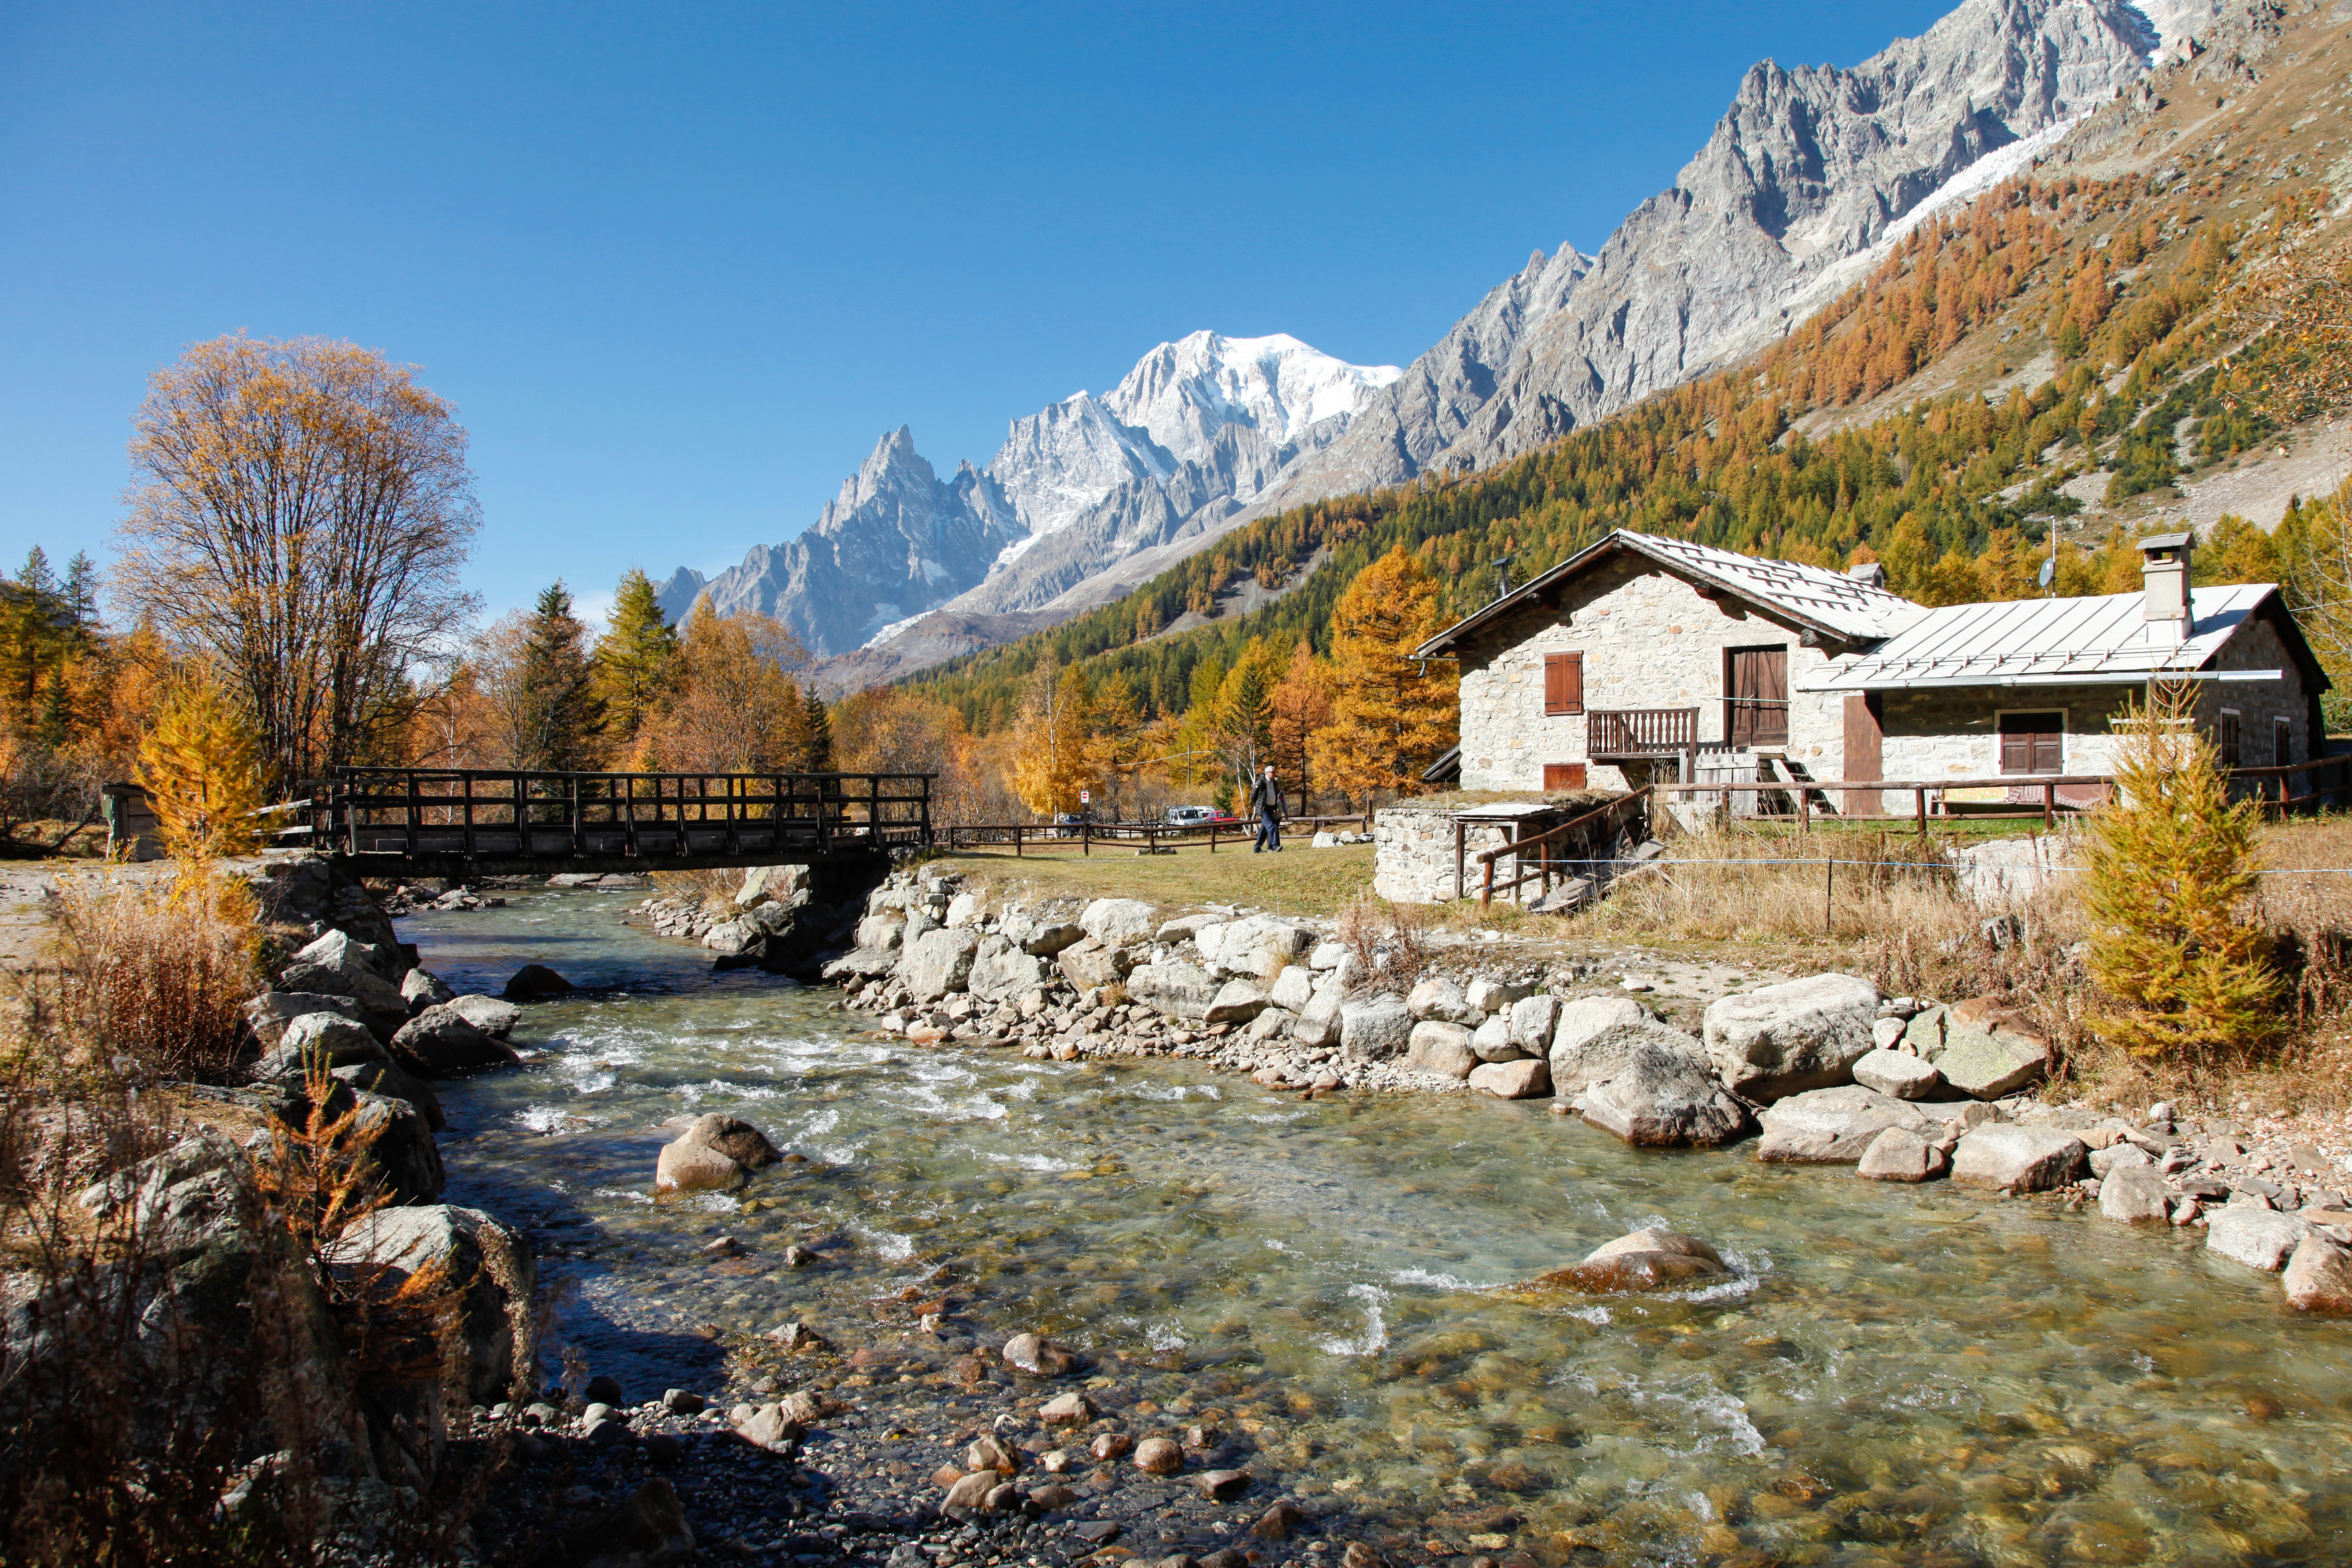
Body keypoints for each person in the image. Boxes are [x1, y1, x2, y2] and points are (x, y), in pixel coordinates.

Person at [1248, 763, 1284, 853]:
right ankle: (1276, 846)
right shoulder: (1261, 782)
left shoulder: (1275, 783)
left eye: (1274, 772)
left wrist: (1276, 807)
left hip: (1271, 807)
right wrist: (1254, 803)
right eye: (1272, 772)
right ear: (1267, 773)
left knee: (1264, 829)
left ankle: (1257, 848)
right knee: (1272, 827)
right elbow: (1253, 794)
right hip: (1263, 808)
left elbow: (1274, 796)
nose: (1274, 774)